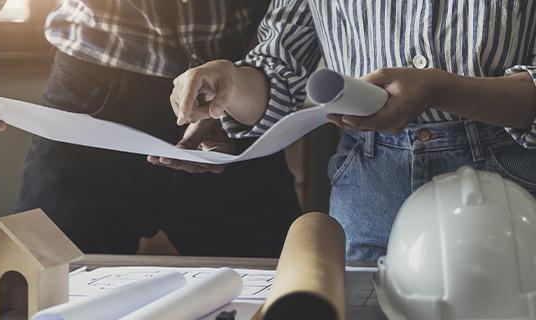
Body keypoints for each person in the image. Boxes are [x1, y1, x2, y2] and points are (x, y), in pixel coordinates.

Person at [0, 0, 303, 257]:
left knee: (280, 287)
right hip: (93, 96)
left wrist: (246, 92)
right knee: (41, 285)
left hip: (238, 91)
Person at [163, 0, 536, 262]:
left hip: (510, 178)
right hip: (370, 184)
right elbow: (278, 71)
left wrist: (440, 89)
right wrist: (230, 83)